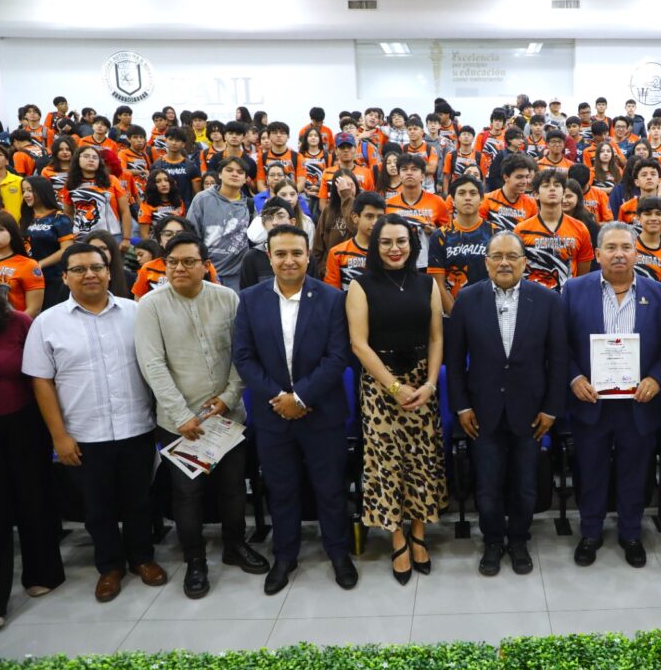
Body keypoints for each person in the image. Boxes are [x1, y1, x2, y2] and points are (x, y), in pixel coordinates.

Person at [22, 242, 166, 603]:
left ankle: (142, 558)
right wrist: (59, 436)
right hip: (84, 433)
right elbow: (41, 381)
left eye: (97, 268)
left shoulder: (136, 313)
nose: (90, 275)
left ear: (108, 271)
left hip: (136, 426)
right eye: (79, 269)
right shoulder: (47, 323)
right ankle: (110, 567)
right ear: (65, 277)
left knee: (139, 501)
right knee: (97, 507)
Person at [135, 232, 269, 599]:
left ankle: (234, 545)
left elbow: (242, 354)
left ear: (205, 265)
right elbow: (152, 364)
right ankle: (195, 560)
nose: (179, 268)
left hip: (227, 417)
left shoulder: (227, 298)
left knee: (232, 487)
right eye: (172, 262)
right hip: (181, 424)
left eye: (189, 261)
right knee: (187, 494)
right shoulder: (150, 306)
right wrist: (181, 415)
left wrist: (228, 398)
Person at [233, 225, 358, 595]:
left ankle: (338, 553)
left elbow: (338, 356)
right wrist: (280, 398)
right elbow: (244, 357)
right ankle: (285, 556)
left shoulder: (332, 298)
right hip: (273, 415)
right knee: (281, 489)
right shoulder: (250, 299)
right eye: (281, 253)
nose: (289, 260)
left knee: (331, 488)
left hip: (323, 412)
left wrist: (300, 398)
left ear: (308, 256)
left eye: (296, 253)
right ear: (269, 257)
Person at [447, 230, 566, 576]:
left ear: (524, 263)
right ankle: (493, 541)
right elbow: (454, 361)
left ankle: (518, 540)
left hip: (531, 412)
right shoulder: (466, 299)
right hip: (481, 412)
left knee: (525, 485)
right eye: (496, 256)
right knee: (487, 486)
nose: (504, 263)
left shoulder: (547, 301)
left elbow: (558, 360)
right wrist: (462, 407)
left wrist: (551, 409)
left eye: (512, 256)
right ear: (486, 263)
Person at [563, 221, 661, 568]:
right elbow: (560, 345)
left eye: (626, 247)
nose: (619, 254)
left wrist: (656, 378)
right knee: (590, 470)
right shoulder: (573, 290)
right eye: (611, 248)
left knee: (635, 471)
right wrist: (574, 378)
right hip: (590, 401)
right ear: (597, 254)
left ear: (637, 253)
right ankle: (590, 533)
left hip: (640, 403)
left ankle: (631, 533)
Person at [346, 214, 446, 585]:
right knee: (386, 464)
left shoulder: (426, 283)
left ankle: (418, 533)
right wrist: (393, 387)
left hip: (422, 384)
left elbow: (436, 337)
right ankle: (397, 538)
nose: (394, 248)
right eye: (386, 242)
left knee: (422, 459)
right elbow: (359, 344)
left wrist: (430, 383)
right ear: (375, 246)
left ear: (412, 244)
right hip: (380, 386)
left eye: (401, 241)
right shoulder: (360, 285)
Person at [0, 285, 64, 633]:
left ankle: (42, 573)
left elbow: (40, 373)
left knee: (33, 497)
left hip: (23, 423)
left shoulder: (18, 322)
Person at [515, 169, 593, 292]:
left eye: (557, 185)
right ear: (536, 194)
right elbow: (517, 269)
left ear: (563, 193)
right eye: (546, 186)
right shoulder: (521, 230)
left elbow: (582, 275)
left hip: (567, 297)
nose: (552, 189)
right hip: (532, 296)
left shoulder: (580, 229)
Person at [427, 176, 496, 314]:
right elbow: (438, 284)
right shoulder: (440, 236)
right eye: (462, 193)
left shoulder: (495, 234)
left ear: (481, 199)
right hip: (452, 312)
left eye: (473, 193)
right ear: (452, 200)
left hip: (489, 311)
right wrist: (457, 317)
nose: (467, 198)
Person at [186, 156, 252, 291]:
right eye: (229, 170)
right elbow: (190, 234)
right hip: (205, 272)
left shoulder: (250, 205)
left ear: (245, 179)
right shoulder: (202, 199)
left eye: (240, 172)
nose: (234, 174)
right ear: (220, 174)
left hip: (237, 276)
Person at [384, 154, 449, 270]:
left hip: (429, 264)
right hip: (397, 264)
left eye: (414, 169)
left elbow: (449, 234)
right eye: (404, 169)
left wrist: (435, 232)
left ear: (423, 176)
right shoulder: (388, 204)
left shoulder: (437, 202)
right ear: (399, 176)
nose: (409, 173)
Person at [20, 175, 73, 309]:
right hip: (28, 277)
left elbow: (66, 249)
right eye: (23, 191)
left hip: (53, 278)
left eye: (30, 190)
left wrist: (40, 264)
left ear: (42, 191)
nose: (25, 195)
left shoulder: (60, 218)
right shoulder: (25, 218)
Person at [324, 191, 382, 290]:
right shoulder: (337, 253)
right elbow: (331, 293)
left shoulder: (388, 250)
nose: (375, 222)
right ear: (355, 217)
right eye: (369, 216)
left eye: (380, 217)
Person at [0, 209, 45, 315]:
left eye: (0, 229)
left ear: (12, 233)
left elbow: (34, 309)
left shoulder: (28, 265)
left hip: (12, 323)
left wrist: (15, 325)